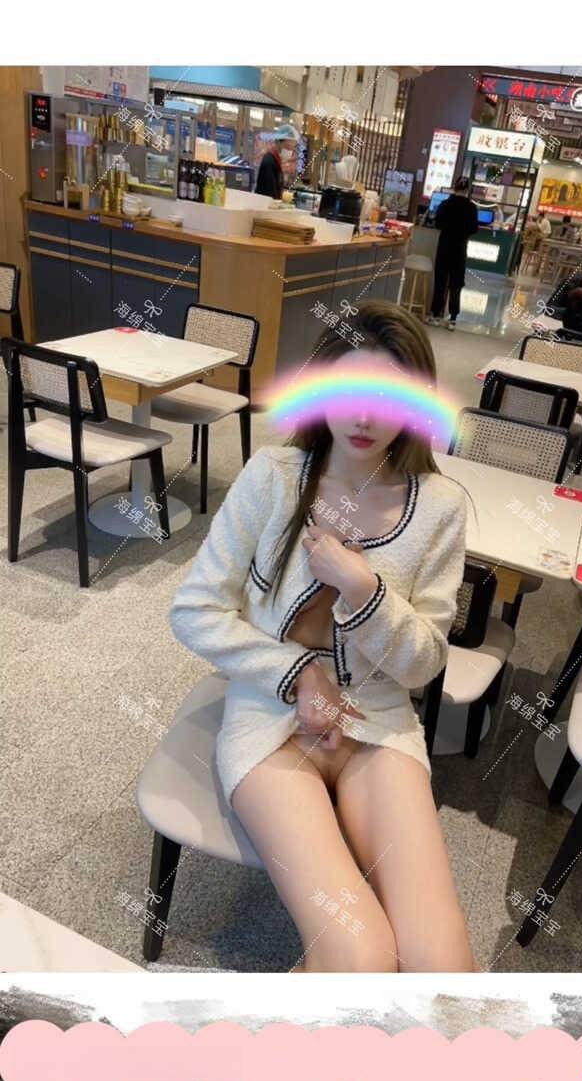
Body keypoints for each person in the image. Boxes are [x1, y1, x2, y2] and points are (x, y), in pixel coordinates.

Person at [170, 301, 475, 973]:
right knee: (360, 953)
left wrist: (364, 591)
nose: (364, 416)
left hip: (378, 723)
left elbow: (424, 663)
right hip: (270, 723)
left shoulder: (442, 507)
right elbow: (193, 610)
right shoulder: (274, 477)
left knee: (440, 965)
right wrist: (299, 676)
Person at [427, 178, 479, 331]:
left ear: (454, 188)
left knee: (440, 282)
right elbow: (474, 229)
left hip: (444, 248)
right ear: (467, 190)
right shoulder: (471, 207)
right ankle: (453, 319)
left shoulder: (445, 204)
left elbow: (437, 224)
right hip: (460, 250)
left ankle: (435, 315)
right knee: (456, 284)